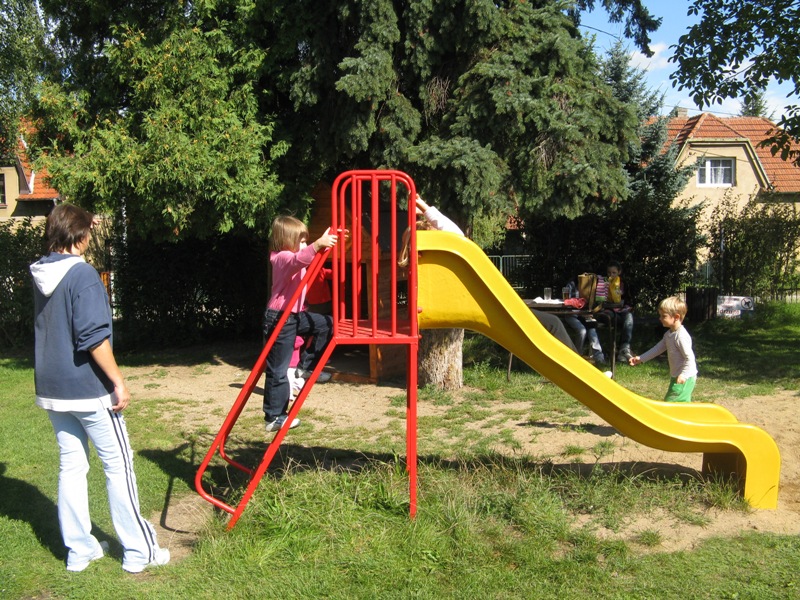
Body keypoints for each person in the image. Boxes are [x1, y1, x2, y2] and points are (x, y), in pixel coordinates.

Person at [30, 204, 170, 573]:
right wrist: (118, 381)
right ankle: (140, 551)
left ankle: (79, 550)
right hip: (87, 389)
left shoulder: (41, 270)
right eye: (89, 232)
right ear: (79, 235)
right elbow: (93, 339)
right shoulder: (82, 274)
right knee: (118, 465)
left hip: (52, 387)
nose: (91, 238)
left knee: (72, 466)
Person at [403, 195, 577, 353]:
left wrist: (424, 212)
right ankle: (579, 366)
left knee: (551, 323)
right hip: (488, 306)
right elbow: (456, 234)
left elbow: (450, 233)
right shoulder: (437, 260)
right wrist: (424, 207)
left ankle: (575, 362)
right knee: (553, 323)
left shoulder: (422, 261)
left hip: (486, 305)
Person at [263, 216, 339, 432]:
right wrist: (317, 244)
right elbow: (298, 260)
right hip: (279, 317)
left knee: (327, 324)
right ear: (287, 240)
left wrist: (330, 240)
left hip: (294, 315)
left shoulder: (297, 255)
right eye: (302, 241)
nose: (305, 245)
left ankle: (305, 368)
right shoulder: (281, 258)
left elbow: (311, 258)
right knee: (278, 369)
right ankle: (274, 417)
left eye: (306, 240)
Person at [629, 296, 697, 402]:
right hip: (677, 376)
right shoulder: (669, 334)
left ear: (676, 317)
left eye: (663, 316)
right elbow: (657, 349)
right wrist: (641, 358)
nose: (660, 318)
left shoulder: (680, 336)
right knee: (679, 406)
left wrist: (684, 375)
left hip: (685, 378)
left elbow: (690, 358)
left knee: (670, 405)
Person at [563, 264, 606, 363]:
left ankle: (599, 357)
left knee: (592, 331)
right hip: (572, 314)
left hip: (586, 315)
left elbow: (596, 303)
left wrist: (590, 311)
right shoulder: (571, 285)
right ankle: (577, 355)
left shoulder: (592, 286)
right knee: (582, 331)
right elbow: (567, 302)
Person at [597, 260, 634, 363]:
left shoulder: (623, 283)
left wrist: (626, 306)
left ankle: (624, 348)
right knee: (613, 318)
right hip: (607, 310)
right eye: (609, 273)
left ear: (619, 272)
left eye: (614, 273)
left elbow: (628, 300)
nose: (611, 275)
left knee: (629, 318)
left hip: (622, 309)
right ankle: (614, 350)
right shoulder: (603, 282)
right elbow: (600, 301)